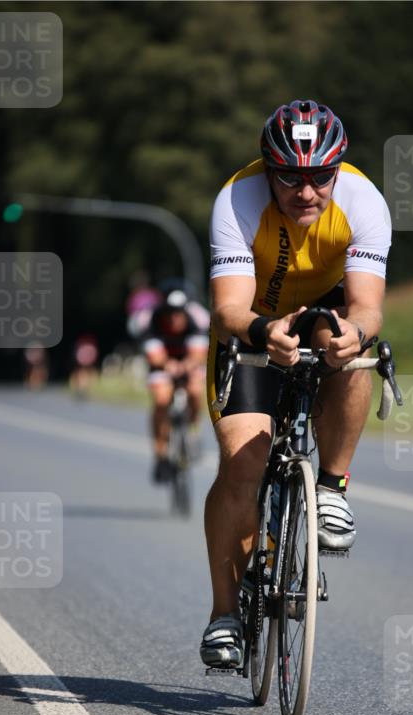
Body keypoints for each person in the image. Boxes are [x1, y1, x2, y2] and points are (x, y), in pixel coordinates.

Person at [200, 99, 392, 668]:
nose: (306, 193)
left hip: (324, 314)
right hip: (253, 324)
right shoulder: (237, 199)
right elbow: (226, 309)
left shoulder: (363, 202)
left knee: (356, 352)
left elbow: (368, 307)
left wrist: (352, 332)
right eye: (290, 178)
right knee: (242, 461)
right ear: (266, 168)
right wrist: (264, 331)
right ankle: (223, 615)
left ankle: (331, 488)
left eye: (319, 178)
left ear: (337, 171)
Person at [143, 289, 209, 483]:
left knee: (195, 390)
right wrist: (167, 365)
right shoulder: (151, 320)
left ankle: (193, 430)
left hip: (189, 360)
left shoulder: (198, 317)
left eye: (178, 313)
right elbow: (154, 356)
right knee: (161, 399)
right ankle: (160, 455)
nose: (174, 318)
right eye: (170, 313)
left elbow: (199, 354)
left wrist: (186, 366)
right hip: (162, 363)